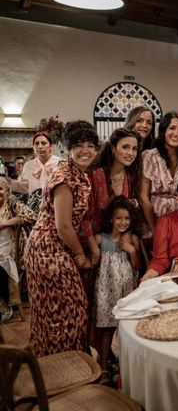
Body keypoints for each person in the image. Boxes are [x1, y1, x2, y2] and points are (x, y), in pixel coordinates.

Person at [23, 121, 99, 357]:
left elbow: (80, 221)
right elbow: (63, 225)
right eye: (78, 146)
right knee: (68, 311)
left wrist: (92, 248)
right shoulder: (65, 177)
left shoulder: (81, 174)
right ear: (68, 149)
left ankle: (61, 367)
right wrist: (80, 254)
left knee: (59, 312)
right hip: (47, 249)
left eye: (90, 145)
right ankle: (61, 369)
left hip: (57, 247)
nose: (85, 150)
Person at [93, 196, 143, 375]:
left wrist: (131, 250)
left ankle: (126, 367)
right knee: (108, 328)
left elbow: (137, 266)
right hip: (107, 291)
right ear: (111, 219)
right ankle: (104, 367)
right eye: (119, 218)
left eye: (127, 218)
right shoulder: (100, 239)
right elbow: (92, 258)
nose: (123, 222)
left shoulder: (133, 239)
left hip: (127, 288)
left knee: (127, 327)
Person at [83, 128, 141, 266]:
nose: (130, 153)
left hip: (115, 247)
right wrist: (93, 248)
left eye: (134, 149)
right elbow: (83, 215)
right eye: (125, 147)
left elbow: (127, 213)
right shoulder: (96, 174)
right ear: (113, 148)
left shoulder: (130, 176)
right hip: (90, 241)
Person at [0, 177, 35, 322]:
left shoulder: (12, 202)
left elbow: (32, 216)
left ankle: (3, 305)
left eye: (0, 189)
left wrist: (5, 224)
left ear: (7, 191)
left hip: (10, 252)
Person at [14, 131, 61, 211]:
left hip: (55, 208)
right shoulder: (28, 165)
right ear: (33, 147)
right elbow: (22, 186)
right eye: (36, 143)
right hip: (33, 209)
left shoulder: (61, 163)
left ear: (50, 146)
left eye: (43, 143)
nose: (40, 146)